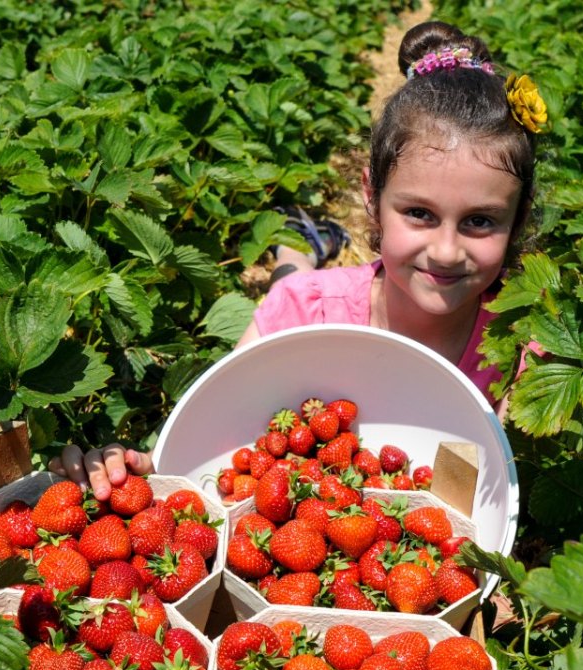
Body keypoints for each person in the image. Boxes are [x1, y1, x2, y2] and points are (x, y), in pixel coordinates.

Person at [52, 21, 547, 499]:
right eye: (419, 214)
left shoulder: (524, 343)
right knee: (293, 283)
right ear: (372, 197)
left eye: (479, 221)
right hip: (313, 296)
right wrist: (134, 475)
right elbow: (209, 448)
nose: (445, 250)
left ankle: (301, 247)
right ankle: (295, 248)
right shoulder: (302, 314)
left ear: (518, 217)